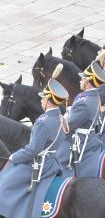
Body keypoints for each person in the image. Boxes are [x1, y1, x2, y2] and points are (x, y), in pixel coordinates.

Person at [0, 78, 69, 218]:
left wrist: (14, 156)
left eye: (43, 98)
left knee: (4, 186)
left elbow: (32, 150)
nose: (41, 101)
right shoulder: (60, 118)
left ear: (49, 100)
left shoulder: (43, 122)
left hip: (39, 164)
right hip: (52, 163)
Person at [60, 61, 105, 178]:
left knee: (57, 160)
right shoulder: (93, 96)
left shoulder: (84, 103)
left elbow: (67, 128)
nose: (80, 81)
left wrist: (59, 117)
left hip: (79, 140)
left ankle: (64, 181)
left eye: (83, 79)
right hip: (88, 134)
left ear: (88, 82)